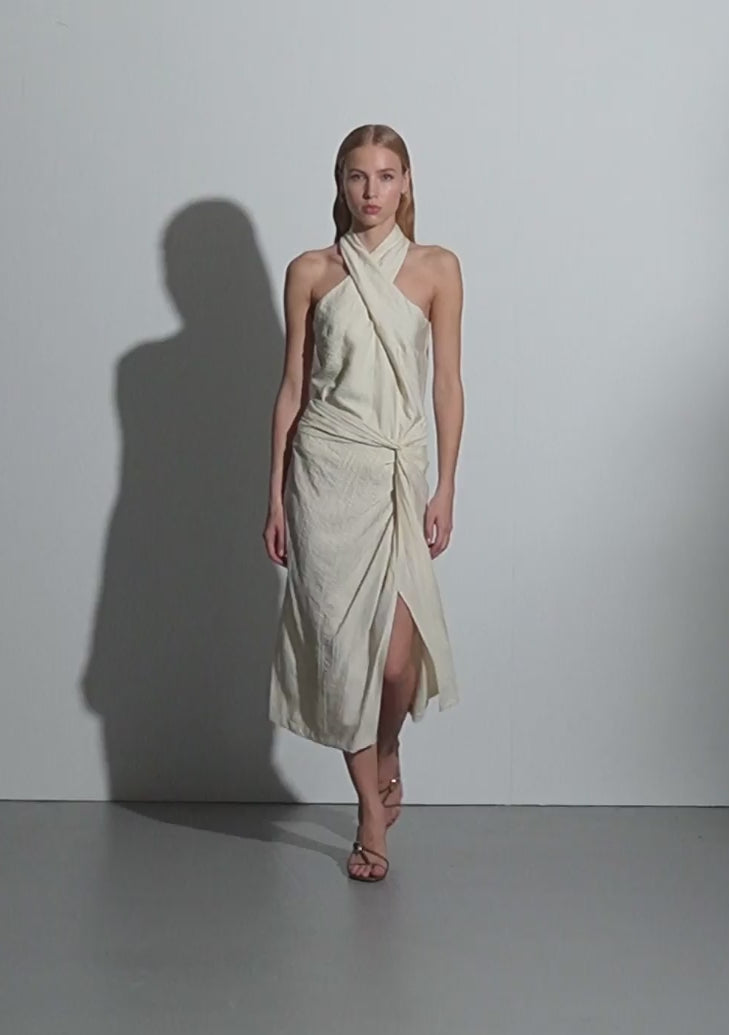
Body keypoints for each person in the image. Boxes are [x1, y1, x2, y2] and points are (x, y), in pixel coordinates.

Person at [263, 124, 464, 882]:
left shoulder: (437, 268)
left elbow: (447, 383)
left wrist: (446, 483)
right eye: (357, 176)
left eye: (385, 175)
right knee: (343, 655)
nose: (371, 191)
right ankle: (369, 816)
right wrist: (274, 493)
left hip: (396, 475)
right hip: (324, 477)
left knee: (397, 662)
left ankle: (388, 746)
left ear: (406, 182)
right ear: (340, 184)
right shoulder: (311, 271)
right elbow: (292, 386)